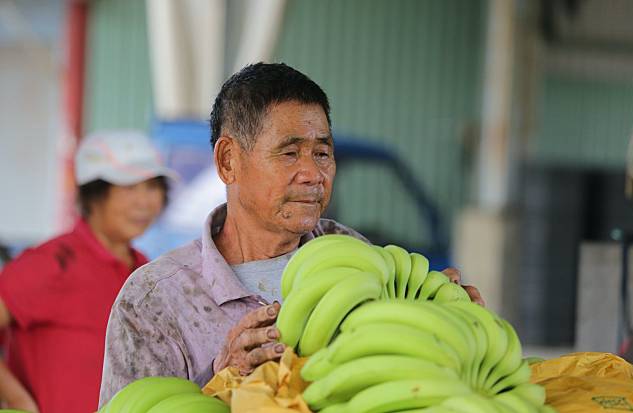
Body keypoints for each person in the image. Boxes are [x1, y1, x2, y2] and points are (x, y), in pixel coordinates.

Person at [98, 63, 484, 406]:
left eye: (321, 153)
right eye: (289, 153)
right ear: (228, 161)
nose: (314, 174)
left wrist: (449, 325)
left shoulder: (359, 260)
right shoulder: (154, 301)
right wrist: (220, 380)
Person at [0, 131, 174, 413]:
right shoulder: (54, 261)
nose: (144, 202)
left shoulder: (145, 269)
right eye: (129, 188)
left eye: (153, 187)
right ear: (93, 195)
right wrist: (18, 400)